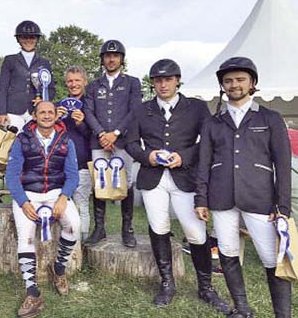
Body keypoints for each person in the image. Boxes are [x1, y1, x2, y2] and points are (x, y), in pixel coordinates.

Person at [126, 59, 229, 313]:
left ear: (177, 80)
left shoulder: (196, 107)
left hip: (185, 177)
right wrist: (146, 156)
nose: (163, 84)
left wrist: (185, 156)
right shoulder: (141, 110)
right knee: (158, 228)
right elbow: (130, 143)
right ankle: (167, 283)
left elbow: (206, 141)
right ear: (153, 83)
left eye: (168, 79)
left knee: (196, 233)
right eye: (158, 80)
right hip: (153, 178)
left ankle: (205, 287)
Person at [195, 57, 292, 318]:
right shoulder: (213, 122)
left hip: (260, 199)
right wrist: (200, 199)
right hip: (221, 197)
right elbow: (203, 163)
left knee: (272, 260)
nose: (234, 85)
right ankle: (242, 308)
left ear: (252, 83)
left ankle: (282, 315)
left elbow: (282, 166)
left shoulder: (270, 118)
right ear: (222, 86)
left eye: (240, 79)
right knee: (227, 253)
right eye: (228, 81)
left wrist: (283, 207)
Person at [5, 101, 80, 318]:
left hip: (57, 193)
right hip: (29, 194)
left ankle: (59, 269)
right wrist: (23, 201)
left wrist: (64, 197)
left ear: (57, 115)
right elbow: (11, 175)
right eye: (42, 112)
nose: (47, 116)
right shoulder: (22, 139)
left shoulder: (66, 140)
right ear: (35, 116)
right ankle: (32, 293)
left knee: (74, 226)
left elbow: (73, 175)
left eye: (50, 112)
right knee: (25, 238)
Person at [83, 39, 142, 247]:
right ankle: (100, 228)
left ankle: (127, 229)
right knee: (99, 182)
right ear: (102, 60)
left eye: (115, 56)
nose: (111, 59)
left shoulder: (132, 83)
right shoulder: (92, 85)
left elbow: (134, 110)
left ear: (121, 59)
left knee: (126, 183)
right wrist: (102, 134)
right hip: (99, 142)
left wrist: (115, 134)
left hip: (123, 141)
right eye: (107, 56)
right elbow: (88, 111)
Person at [0, 20, 55, 131]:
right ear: (18, 39)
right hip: (13, 109)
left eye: (32, 37)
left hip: (35, 110)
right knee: (13, 141)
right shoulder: (10, 60)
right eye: (24, 37)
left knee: (33, 142)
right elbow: (3, 88)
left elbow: (50, 88)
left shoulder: (45, 63)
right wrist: (1, 112)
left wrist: (43, 100)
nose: (28, 40)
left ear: (37, 39)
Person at [56, 66, 91, 240]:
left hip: (83, 163)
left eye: (77, 80)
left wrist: (81, 124)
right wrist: (55, 119)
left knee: (81, 204)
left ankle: (82, 243)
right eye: (70, 80)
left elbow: (93, 135)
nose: (74, 84)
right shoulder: (58, 106)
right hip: (60, 164)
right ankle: (62, 240)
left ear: (85, 82)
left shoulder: (91, 105)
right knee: (61, 204)